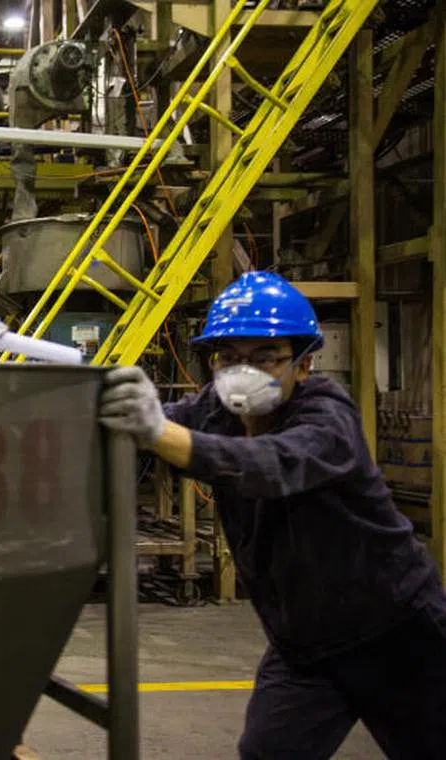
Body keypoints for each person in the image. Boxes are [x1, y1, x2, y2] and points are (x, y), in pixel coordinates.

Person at [99, 271, 446, 759]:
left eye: (265, 358)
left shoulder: (328, 418)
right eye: (230, 357)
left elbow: (268, 465)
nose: (244, 371)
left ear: (302, 365)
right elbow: (164, 420)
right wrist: (114, 399)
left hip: (395, 635)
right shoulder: (216, 411)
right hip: (303, 647)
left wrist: (155, 430)